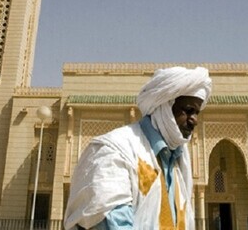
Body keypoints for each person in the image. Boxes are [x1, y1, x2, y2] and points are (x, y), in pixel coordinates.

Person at [64, 66, 212, 230]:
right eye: (188, 111)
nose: (194, 120)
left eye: (197, 113)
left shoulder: (178, 162)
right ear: (164, 107)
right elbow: (113, 224)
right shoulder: (115, 150)